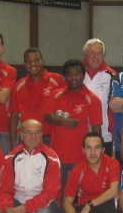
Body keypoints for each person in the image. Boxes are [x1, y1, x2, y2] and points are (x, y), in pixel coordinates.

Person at [0, 119, 62, 213]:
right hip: (18, 201)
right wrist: (7, 207)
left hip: (43, 203)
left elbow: (50, 193)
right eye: (29, 133)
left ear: (42, 134)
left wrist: (25, 208)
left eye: (37, 133)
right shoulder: (11, 157)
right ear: (21, 134)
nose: (33, 137)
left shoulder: (51, 157)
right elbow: (3, 189)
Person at [55, 132, 121, 213]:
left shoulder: (112, 163)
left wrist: (90, 205)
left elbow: (114, 191)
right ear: (83, 150)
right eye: (88, 148)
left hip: (108, 211)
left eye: (97, 147)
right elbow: (67, 202)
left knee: (108, 201)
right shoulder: (77, 171)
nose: (93, 152)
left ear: (103, 149)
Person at [44, 59, 103, 190]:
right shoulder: (56, 94)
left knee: (79, 196)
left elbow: (96, 131)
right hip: (57, 156)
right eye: (69, 74)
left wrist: (96, 157)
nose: (74, 77)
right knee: (58, 194)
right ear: (65, 77)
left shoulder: (93, 99)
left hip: (81, 158)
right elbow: (47, 116)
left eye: (77, 74)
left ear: (83, 75)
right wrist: (64, 122)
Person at [8, 47, 66, 148]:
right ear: (24, 64)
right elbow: (14, 118)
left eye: (36, 60)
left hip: (52, 139)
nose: (33, 64)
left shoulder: (57, 80)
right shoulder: (18, 86)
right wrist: (13, 143)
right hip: (27, 140)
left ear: (42, 61)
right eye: (29, 62)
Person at [82, 39, 117, 156]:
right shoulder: (76, 74)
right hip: (79, 132)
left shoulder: (112, 76)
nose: (96, 57)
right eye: (92, 53)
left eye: (99, 53)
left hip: (104, 134)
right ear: (85, 54)